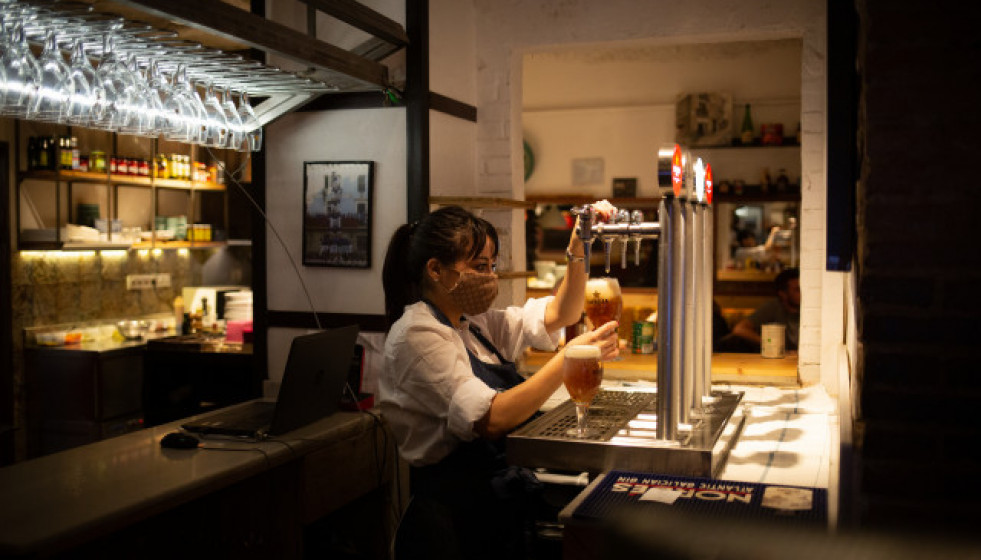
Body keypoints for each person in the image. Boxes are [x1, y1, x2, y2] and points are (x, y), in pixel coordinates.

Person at [380, 203, 619, 560]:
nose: (490, 276)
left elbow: (564, 312)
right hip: (452, 520)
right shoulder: (417, 336)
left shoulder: (473, 323)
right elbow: (492, 419)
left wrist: (578, 244)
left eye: (492, 266)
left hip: (495, 506)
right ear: (435, 270)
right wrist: (567, 361)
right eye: (479, 266)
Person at [718, 268, 800, 353]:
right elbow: (739, 329)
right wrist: (770, 344)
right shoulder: (774, 307)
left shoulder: (808, 310)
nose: (802, 293)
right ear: (783, 294)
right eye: (797, 289)